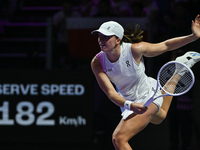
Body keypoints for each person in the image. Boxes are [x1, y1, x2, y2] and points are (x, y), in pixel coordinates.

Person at [90, 14, 200, 150]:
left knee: (119, 139)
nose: (101, 39)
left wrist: (193, 37)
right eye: (100, 36)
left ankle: (179, 69)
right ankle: (179, 70)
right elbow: (111, 93)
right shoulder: (97, 62)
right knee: (161, 116)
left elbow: (165, 45)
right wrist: (130, 105)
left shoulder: (134, 50)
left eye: (106, 36)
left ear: (118, 39)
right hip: (127, 102)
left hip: (147, 95)